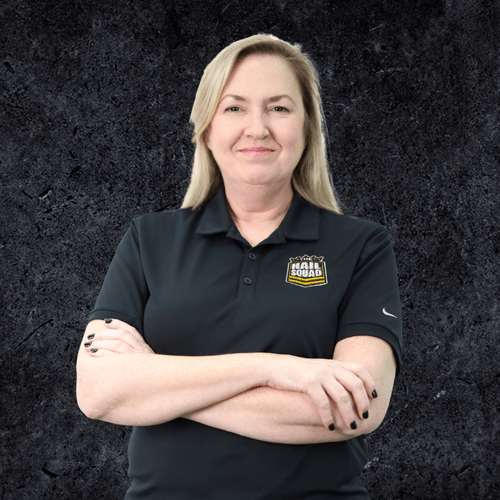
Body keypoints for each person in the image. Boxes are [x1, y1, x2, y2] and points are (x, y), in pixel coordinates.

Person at [76, 34, 402, 500]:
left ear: (307, 128)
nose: (257, 128)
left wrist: (157, 382)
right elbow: (95, 392)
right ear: (206, 128)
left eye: (279, 108)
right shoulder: (149, 239)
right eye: (234, 108)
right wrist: (276, 370)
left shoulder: (363, 245)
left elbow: (357, 411)